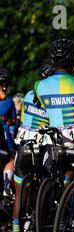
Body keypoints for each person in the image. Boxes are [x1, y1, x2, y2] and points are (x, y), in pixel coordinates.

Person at [3, 71, 49, 232]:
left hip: (24, 146)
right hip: (43, 147)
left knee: (20, 195)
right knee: (46, 190)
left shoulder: (29, 94)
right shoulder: (51, 96)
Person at [34, 39, 74, 183]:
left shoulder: (38, 86)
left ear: (52, 60)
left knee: (49, 178)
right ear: (73, 60)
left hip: (53, 142)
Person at [0, 68, 17, 200]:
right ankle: (6, 187)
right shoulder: (8, 101)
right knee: (12, 160)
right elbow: (11, 128)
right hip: (5, 142)